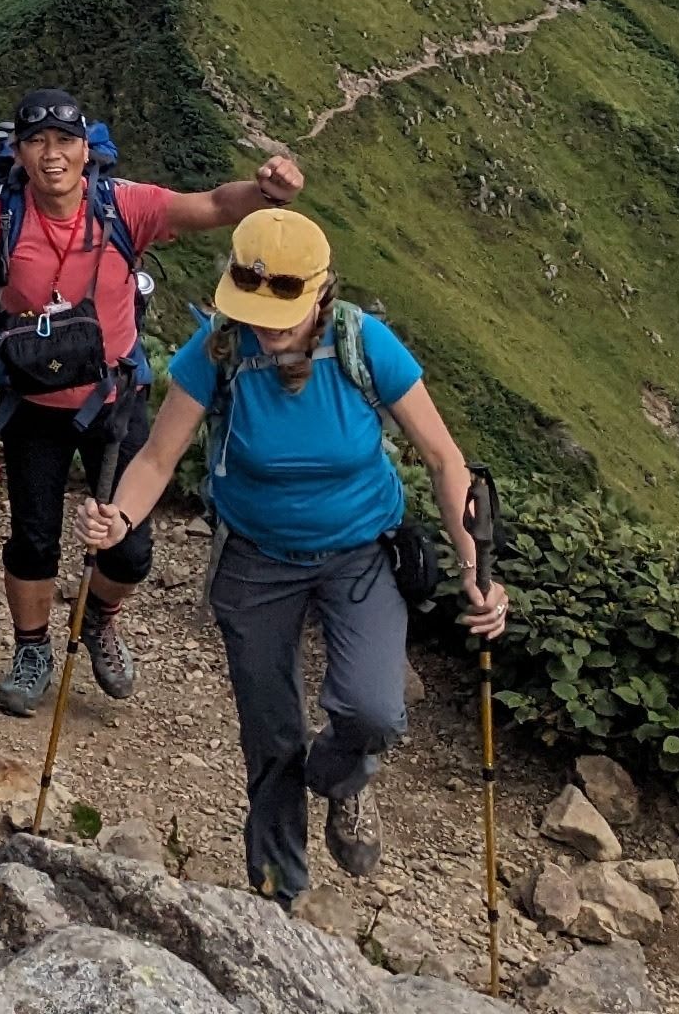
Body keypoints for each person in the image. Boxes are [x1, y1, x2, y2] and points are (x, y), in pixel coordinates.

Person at [78, 207, 511, 906]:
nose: (267, 325)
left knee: (375, 712)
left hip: (361, 552)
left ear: (321, 293)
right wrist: (118, 517)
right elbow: (158, 458)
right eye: (254, 307)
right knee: (271, 732)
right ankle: (276, 893)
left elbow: (443, 458)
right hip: (256, 557)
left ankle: (342, 779)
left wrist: (474, 571)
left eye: (282, 308)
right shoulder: (216, 353)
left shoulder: (364, 344)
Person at [0, 91, 305, 715]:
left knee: (129, 548)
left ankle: (101, 619)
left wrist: (266, 190)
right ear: (21, 152)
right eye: (37, 142)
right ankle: (32, 648)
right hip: (33, 404)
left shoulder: (123, 205)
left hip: (114, 399)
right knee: (33, 541)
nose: (51, 155)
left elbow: (214, 205)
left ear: (86, 150)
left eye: (64, 141)